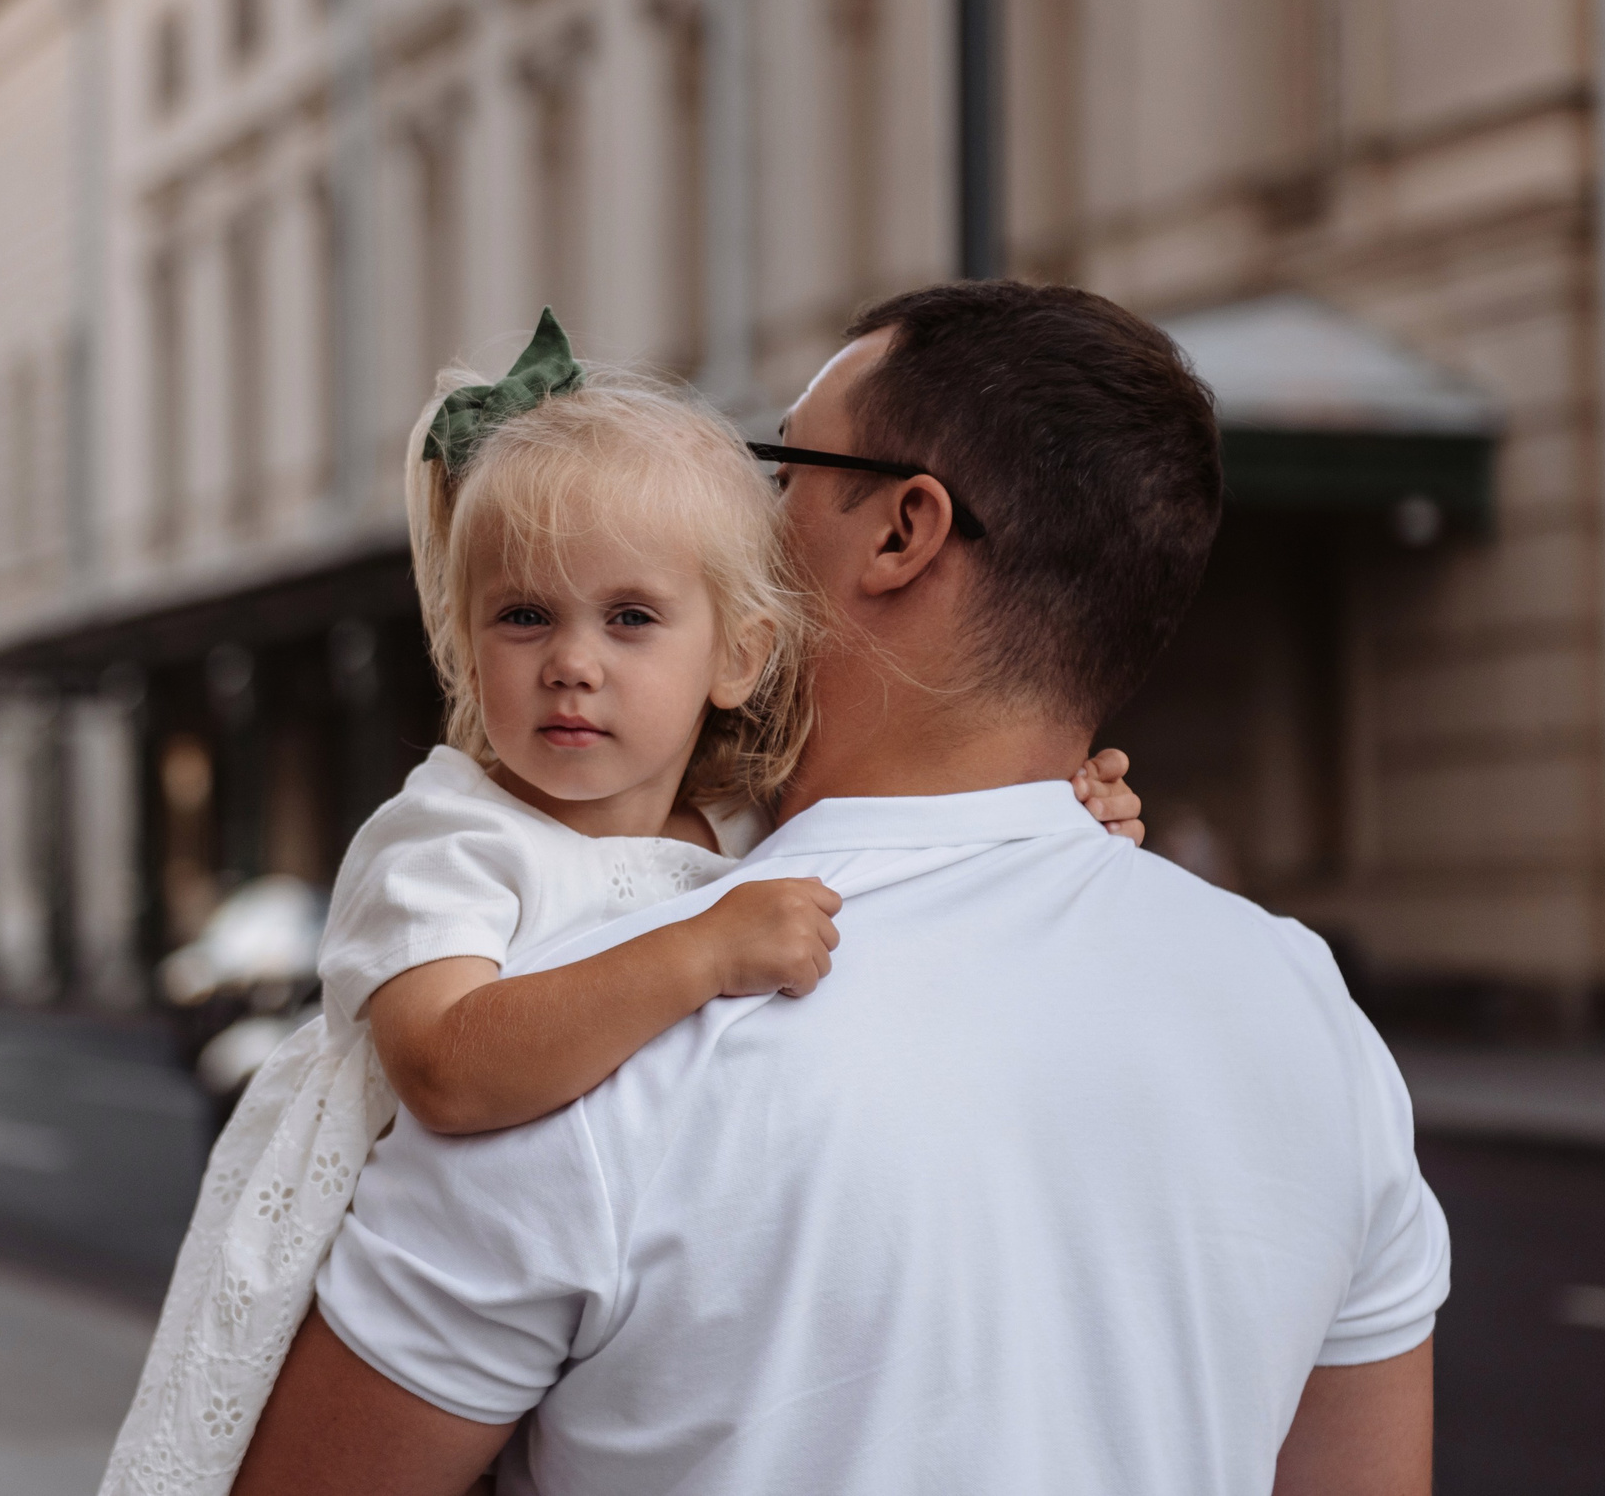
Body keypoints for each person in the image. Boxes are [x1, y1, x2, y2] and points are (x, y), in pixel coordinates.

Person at [231, 281, 1449, 1496]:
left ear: (902, 532)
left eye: (782, 472)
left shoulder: (596, 1033)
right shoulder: (1313, 1019)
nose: (749, 519)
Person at [100, 310, 1144, 1496]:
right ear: (465, 642)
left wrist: (1066, 803)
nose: (572, 661)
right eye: (523, 615)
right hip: (387, 1318)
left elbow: (912, 834)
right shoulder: (448, 838)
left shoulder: (735, 823)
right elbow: (445, 1066)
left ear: (738, 656)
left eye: (631, 617)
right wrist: (695, 954)